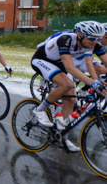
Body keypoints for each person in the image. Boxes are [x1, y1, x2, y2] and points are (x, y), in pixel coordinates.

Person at [30, 21, 107, 150]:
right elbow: (70, 68)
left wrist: (97, 80)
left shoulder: (93, 44)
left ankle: (63, 138)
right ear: (80, 35)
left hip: (65, 62)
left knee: (70, 99)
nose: (95, 41)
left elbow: (95, 64)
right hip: (44, 60)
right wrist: (93, 83)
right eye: (92, 38)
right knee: (67, 84)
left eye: (98, 38)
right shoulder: (65, 39)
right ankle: (39, 109)